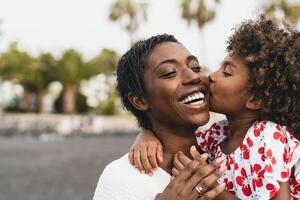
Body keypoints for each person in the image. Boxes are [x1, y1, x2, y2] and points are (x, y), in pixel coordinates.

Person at [129, 15, 300, 199]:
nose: (211, 76)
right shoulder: (217, 135)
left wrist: (213, 190)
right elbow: (178, 142)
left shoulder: (268, 138)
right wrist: (146, 135)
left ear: (255, 99)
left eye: (226, 72)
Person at [93, 34, 226, 200]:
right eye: (170, 73)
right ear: (140, 100)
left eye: (196, 68)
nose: (194, 76)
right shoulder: (120, 177)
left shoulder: (228, 154)